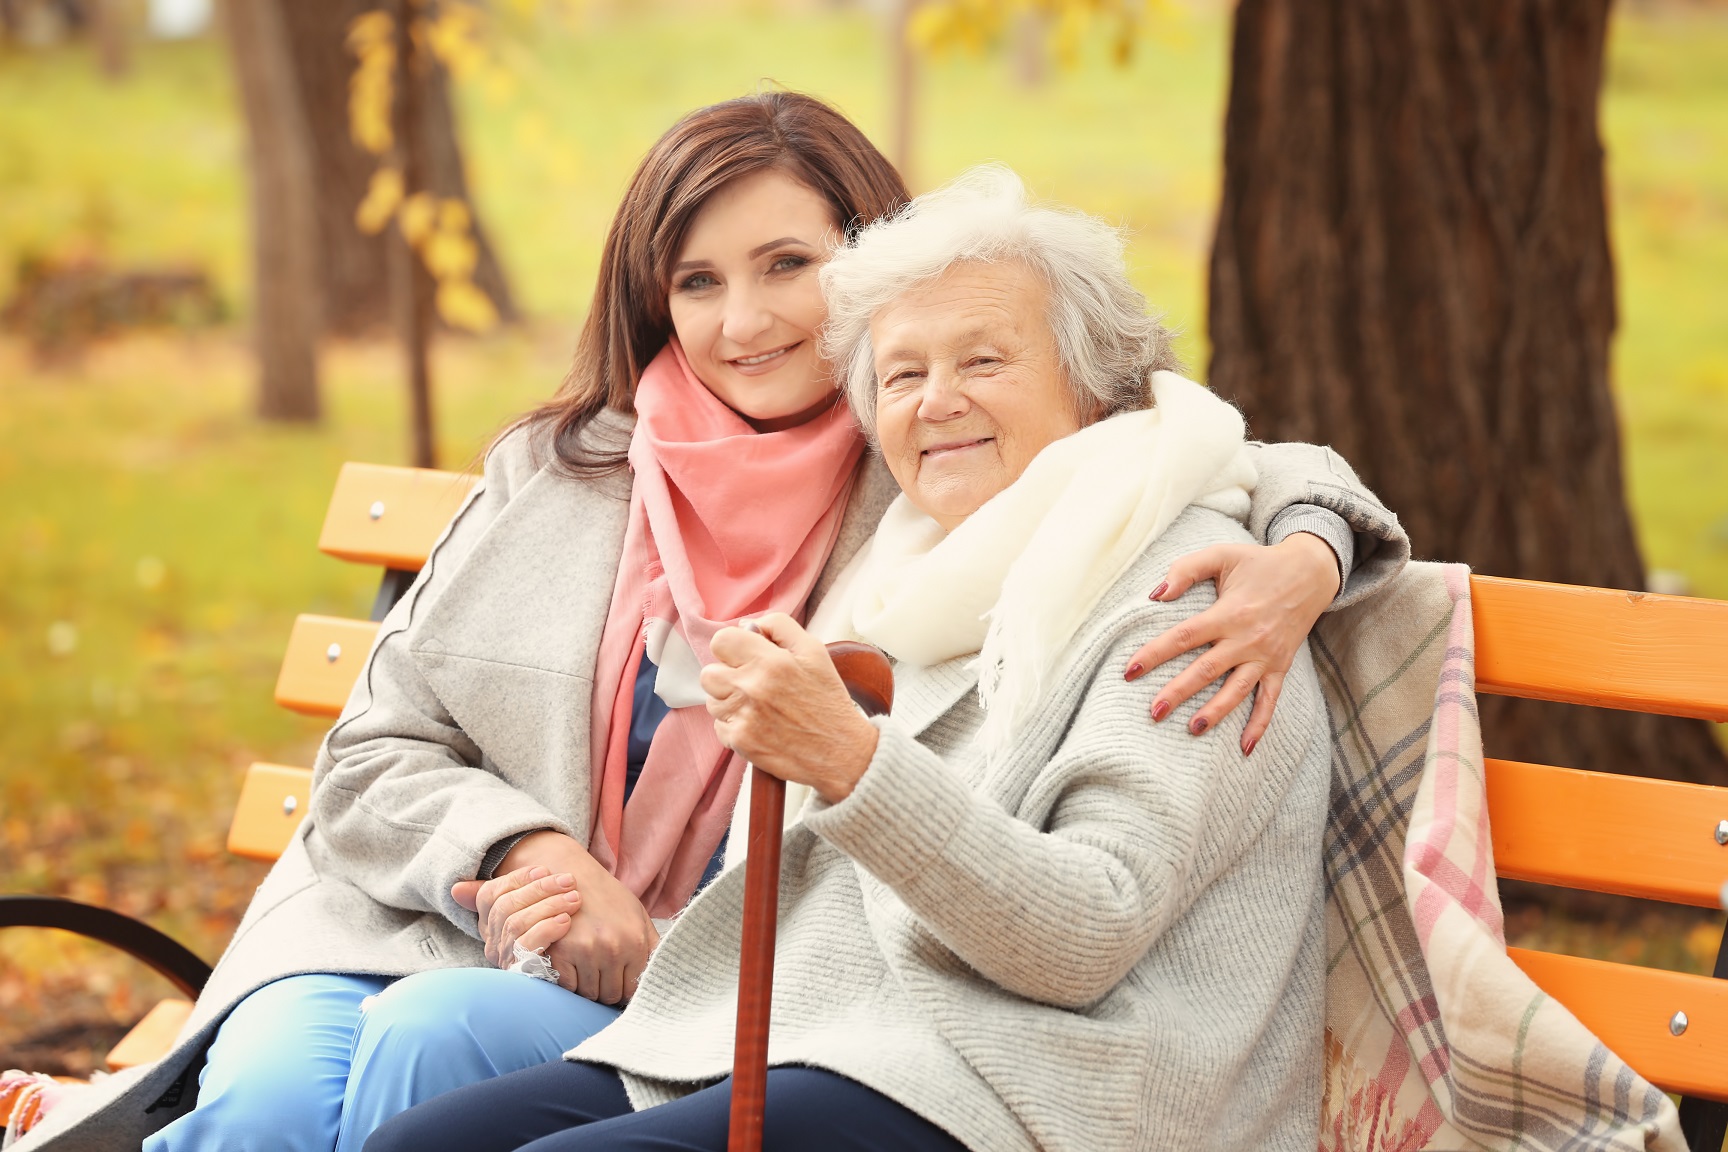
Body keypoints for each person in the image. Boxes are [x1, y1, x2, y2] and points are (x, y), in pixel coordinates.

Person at [21, 98, 1404, 1152]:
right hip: (414, 923)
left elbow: (1185, 439)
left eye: (787, 266)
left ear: (867, 271)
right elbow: (378, 749)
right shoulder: (569, 466)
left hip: (731, 979)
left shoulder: (928, 476)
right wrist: (520, 849)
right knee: (275, 1109)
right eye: (696, 281)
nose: (743, 322)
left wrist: (1305, 548)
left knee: (424, 1062)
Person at [362, 164, 1352, 1152]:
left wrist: (852, 760)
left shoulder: (1189, 605)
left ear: (1098, 386)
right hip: (837, 1041)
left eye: (985, 363)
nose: (936, 402)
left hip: (1051, 1091)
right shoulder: (915, 573)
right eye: (904, 373)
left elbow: (1085, 934)